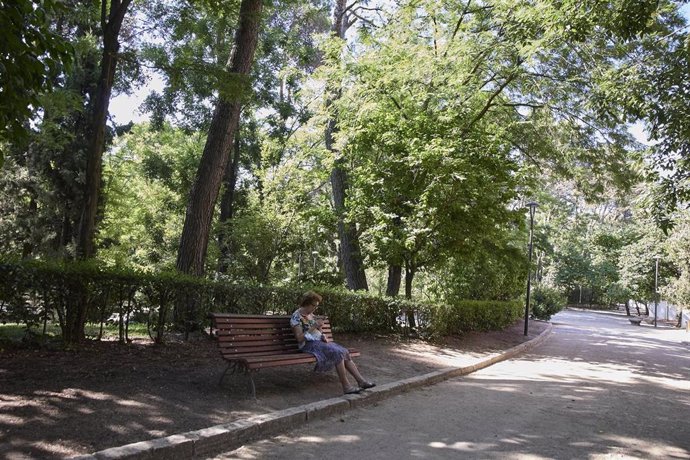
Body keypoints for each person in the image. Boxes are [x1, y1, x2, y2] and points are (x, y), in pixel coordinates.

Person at [290, 291, 376, 395]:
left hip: (319, 342)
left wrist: (322, 333)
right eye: (314, 306)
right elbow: (299, 338)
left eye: (316, 306)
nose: (315, 308)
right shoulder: (296, 317)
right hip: (308, 345)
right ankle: (346, 386)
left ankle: (361, 381)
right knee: (336, 353)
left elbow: (317, 332)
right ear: (307, 303)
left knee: (343, 351)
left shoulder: (311, 315)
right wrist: (314, 326)